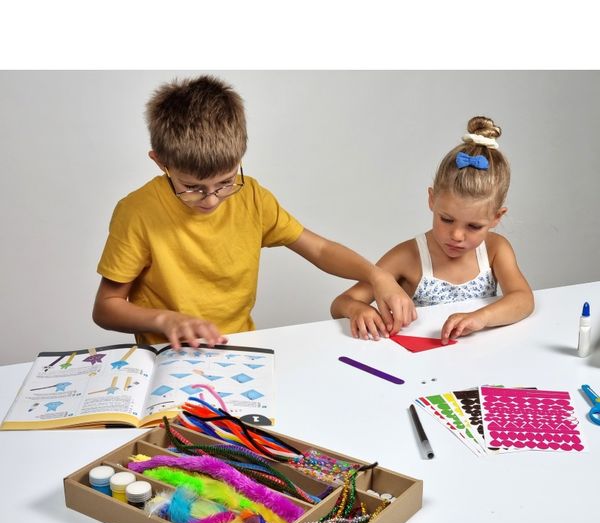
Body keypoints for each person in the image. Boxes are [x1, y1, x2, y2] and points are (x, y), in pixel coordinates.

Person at [93, 74, 408, 349]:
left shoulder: (253, 199)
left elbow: (320, 249)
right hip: (167, 357)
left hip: (239, 348)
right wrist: (165, 320)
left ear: (240, 157)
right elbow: (106, 308)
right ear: (161, 162)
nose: (211, 200)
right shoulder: (137, 213)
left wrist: (377, 275)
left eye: (225, 182)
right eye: (192, 187)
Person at [330, 116, 534, 344]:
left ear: (497, 217)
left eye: (474, 226)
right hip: (422, 360)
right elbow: (341, 303)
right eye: (447, 219)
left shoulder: (495, 249)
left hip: (480, 356)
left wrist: (481, 318)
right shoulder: (407, 256)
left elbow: (523, 299)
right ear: (432, 200)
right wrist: (357, 310)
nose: (457, 235)